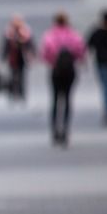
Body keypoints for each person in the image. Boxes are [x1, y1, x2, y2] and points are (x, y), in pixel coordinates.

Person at [40, 12, 87, 147]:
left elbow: (45, 54)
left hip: (56, 71)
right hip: (70, 71)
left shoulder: (50, 35)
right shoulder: (73, 34)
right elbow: (80, 50)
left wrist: (53, 61)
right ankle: (66, 129)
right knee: (67, 99)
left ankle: (55, 130)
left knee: (55, 100)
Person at [0, 15, 35, 102]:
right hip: (12, 58)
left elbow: (30, 44)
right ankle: (13, 94)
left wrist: (32, 54)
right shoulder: (9, 33)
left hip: (22, 58)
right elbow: (5, 46)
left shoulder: (25, 32)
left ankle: (22, 94)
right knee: (13, 76)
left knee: (22, 76)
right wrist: (3, 57)